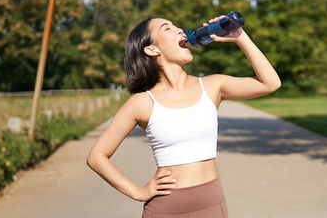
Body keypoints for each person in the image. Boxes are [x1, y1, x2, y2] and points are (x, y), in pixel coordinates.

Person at [86, 14, 281, 218]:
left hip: (211, 203)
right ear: (152, 49)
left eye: (176, 26)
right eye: (167, 28)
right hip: (165, 208)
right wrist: (138, 192)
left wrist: (239, 36)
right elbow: (97, 157)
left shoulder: (213, 86)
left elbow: (270, 83)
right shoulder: (142, 103)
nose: (179, 29)